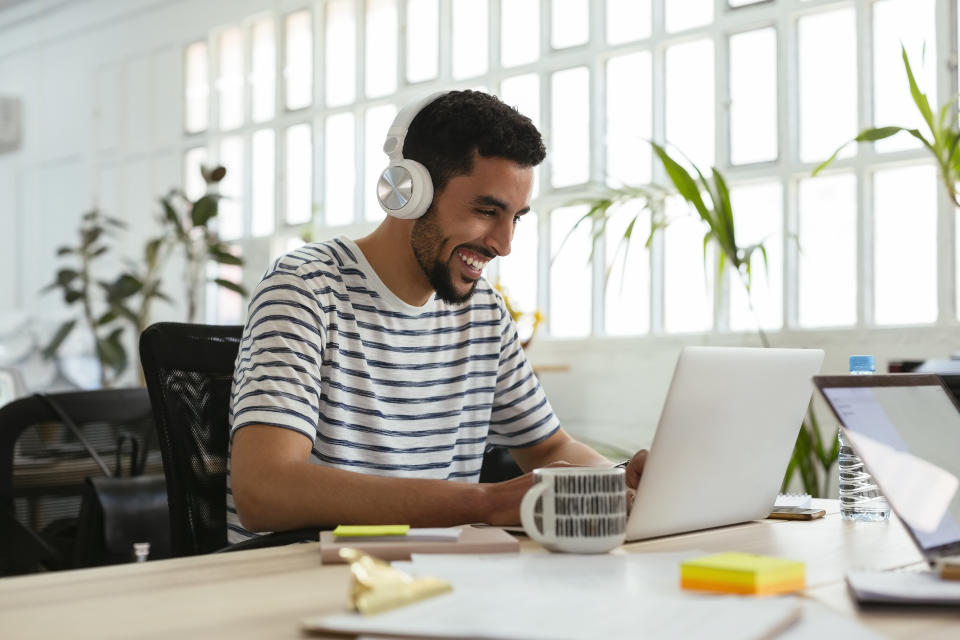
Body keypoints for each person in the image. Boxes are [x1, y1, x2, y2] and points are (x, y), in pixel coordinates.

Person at [228, 90, 647, 542]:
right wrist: (486, 504)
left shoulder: (482, 310)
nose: (504, 244)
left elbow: (549, 447)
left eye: (516, 218)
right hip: (304, 577)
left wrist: (618, 480)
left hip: (439, 576)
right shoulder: (306, 288)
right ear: (407, 192)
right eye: (487, 211)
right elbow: (264, 491)